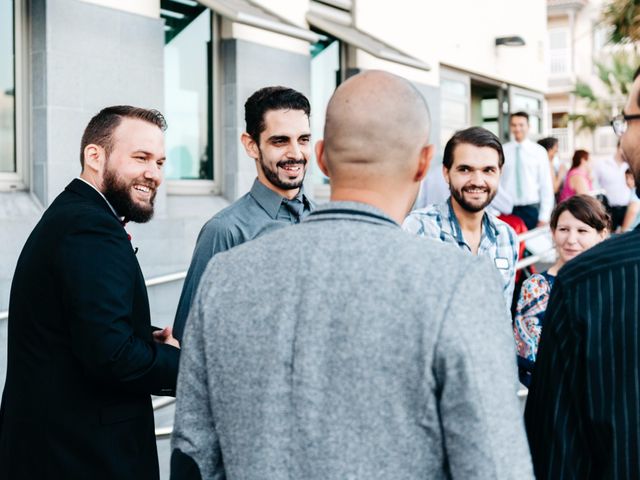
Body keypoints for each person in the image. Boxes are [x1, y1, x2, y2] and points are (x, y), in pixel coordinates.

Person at [170, 71, 534, 480]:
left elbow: (193, 451)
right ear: (425, 163)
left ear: (321, 156)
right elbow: (495, 465)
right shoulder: (459, 282)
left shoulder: (225, 275)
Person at [0, 106, 180, 479]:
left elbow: (80, 327)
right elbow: (112, 356)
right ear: (94, 156)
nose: (154, 174)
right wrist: (185, 365)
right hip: (82, 460)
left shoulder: (76, 215)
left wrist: (145, 339)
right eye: (141, 158)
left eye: (160, 162)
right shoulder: (90, 227)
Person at [525, 66, 640, 479]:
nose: (622, 138)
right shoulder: (571, 282)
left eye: (625, 121)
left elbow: (555, 446)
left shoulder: (585, 283)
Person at [172, 86, 315, 340]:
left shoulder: (323, 221)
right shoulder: (224, 230)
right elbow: (190, 336)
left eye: (303, 139)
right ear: (251, 145)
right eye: (280, 141)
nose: (295, 153)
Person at [403, 126, 519, 310]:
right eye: (465, 169)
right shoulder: (417, 229)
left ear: (499, 173)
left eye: (488, 170)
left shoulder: (506, 237)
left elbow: (503, 315)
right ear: (446, 173)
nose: (477, 181)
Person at [513, 195, 609, 387]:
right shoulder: (537, 287)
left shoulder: (612, 283)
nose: (571, 240)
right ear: (553, 232)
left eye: (582, 230)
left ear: (602, 234)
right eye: (563, 229)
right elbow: (527, 356)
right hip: (554, 399)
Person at [500, 111, 555, 230]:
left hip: (532, 209)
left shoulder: (539, 151)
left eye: (521, 125)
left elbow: (546, 185)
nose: (517, 128)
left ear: (528, 126)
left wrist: (544, 216)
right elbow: (498, 182)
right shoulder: (503, 151)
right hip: (507, 209)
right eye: (514, 125)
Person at [595, 142, 630, 231]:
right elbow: (595, 186)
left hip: (628, 209)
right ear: (620, 148)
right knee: (608, 236)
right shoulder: (603, 164)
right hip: (608, 209)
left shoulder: (630, 164)